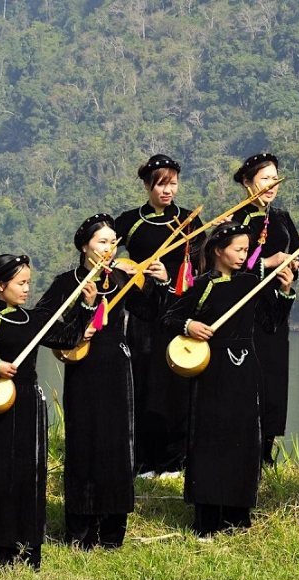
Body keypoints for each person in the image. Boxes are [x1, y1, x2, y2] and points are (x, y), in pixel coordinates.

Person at [0, 254, 93, 569]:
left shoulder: (33, 319)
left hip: (30, 403)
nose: (27, 289)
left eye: (28, 282)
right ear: (0, 285)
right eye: (21, 283)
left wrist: (86, 306)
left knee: (30, 475)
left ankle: (29, 552)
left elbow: (67, 338)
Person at [38, 214, 169, 549]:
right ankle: (80, 530)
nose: (109, 248)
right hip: (84, 369)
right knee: (85, 445)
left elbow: (149, 312)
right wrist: (80, 323)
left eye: (113, 242)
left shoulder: (123, 277)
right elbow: (44, 330)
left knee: (118, 448)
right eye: (101, 242)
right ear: (84, 246)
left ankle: (113, 531)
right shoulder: (67, 282)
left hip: (118, 366)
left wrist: (160, 282)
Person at [162, 222, 295, 538]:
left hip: (245, 369)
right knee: (209, 439)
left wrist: (286, 293)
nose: (243, 255)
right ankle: (206, 521)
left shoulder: (252, 283)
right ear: (219, 250)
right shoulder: (202, 284)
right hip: (211, 369)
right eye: (238, 249)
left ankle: (237, 518)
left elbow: (270, 323)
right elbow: (169, 318)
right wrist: (190, 326)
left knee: (244, 441)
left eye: (247, 250)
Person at [114, 154, 204, 477]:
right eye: (161, 184)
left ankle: (173, 460)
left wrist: (170, 274)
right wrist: (119, 266)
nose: (168, 191)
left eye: (173, 183)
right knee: (142, 380)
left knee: (174, 382)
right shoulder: (130, 220)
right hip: (141, 314)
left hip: (177, 310)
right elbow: (103, 248)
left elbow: (199, 267)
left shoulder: (189, 221)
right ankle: (142, 460)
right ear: (147, 185)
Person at [230, 153, 299, 465]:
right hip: (244, 307)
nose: (271, 184)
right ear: (248, 183)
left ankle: (267, 452)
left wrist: (292, 272)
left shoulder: (283, 218)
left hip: (277, 304)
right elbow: (229, 264)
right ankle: (241, 448)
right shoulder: (236, 220)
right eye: (264, 178)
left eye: (275, 177)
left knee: (274, 373)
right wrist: (266, 264)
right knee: (249, 374)